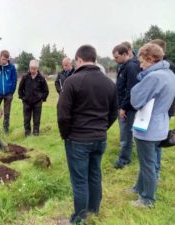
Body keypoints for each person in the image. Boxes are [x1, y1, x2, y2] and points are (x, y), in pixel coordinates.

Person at [57, 45, 118, 224]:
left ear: (79, 60)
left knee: (79, 179)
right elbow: (114, 112)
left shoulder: (72, 81)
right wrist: (102, 129)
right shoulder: (108, 83)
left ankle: (79, 217)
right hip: (99, 139)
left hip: (77, 140)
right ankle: (93, 209)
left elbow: (62, 113)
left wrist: (66, 134)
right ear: (95, 59)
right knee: (95, 173)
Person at [130, 43, 175, 207]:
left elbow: (136, 100)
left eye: (142, 61)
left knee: (147, 164)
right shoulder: (169, 73)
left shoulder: (154, 77)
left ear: (150, 59)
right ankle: (138, 187)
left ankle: (147, 199)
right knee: (146, 161)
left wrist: (137, 86)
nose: (140, 65)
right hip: (160, 125)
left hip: (148, 127)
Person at [148, 39, 175, 180]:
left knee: (157, 143)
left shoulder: (168, 67)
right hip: (161, 110)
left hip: (162, 110)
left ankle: (155, 172)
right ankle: (152, 172)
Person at [112, 44, 140, 169]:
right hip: (122, 105)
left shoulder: (131, 67)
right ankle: (127, 154)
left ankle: (124, 160)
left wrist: (123, 107)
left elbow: (131, 89)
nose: (115, 60)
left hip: (127, 107)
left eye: (117, 57)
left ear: (125, 54)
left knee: (126, 133)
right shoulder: (122, 66)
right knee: (125, 132)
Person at [18, 59, 49, 136]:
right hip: (27, 102)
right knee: (26, 119)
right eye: (31, 68)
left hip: (37, 103)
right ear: (29, 68)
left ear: (37, 69)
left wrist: (42, 98)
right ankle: (27, 133)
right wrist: (23, 98)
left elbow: (46, 90)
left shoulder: (41, 78)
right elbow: (20, 89)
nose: (33, 70)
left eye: (34, 69)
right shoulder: (25, 77)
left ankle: (36, 132)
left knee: (36, 119)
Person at [0, 50, 17, 134]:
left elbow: (14, 80)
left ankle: (6, 130)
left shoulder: (11, 67)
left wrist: (11, 92)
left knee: (7, 113)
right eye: (4, 59)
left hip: (8, 93)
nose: (5, 61)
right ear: (0, 56)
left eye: (7, 59)